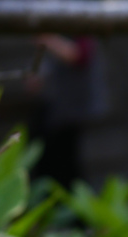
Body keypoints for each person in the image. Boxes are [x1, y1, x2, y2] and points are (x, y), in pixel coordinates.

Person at [27, 34, 108, 188]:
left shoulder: (79, 29)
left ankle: (73, 198)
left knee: (67, 164)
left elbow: (79, 55)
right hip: (53, 110)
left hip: (73, 110)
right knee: (50, 161)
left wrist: (48, 39)